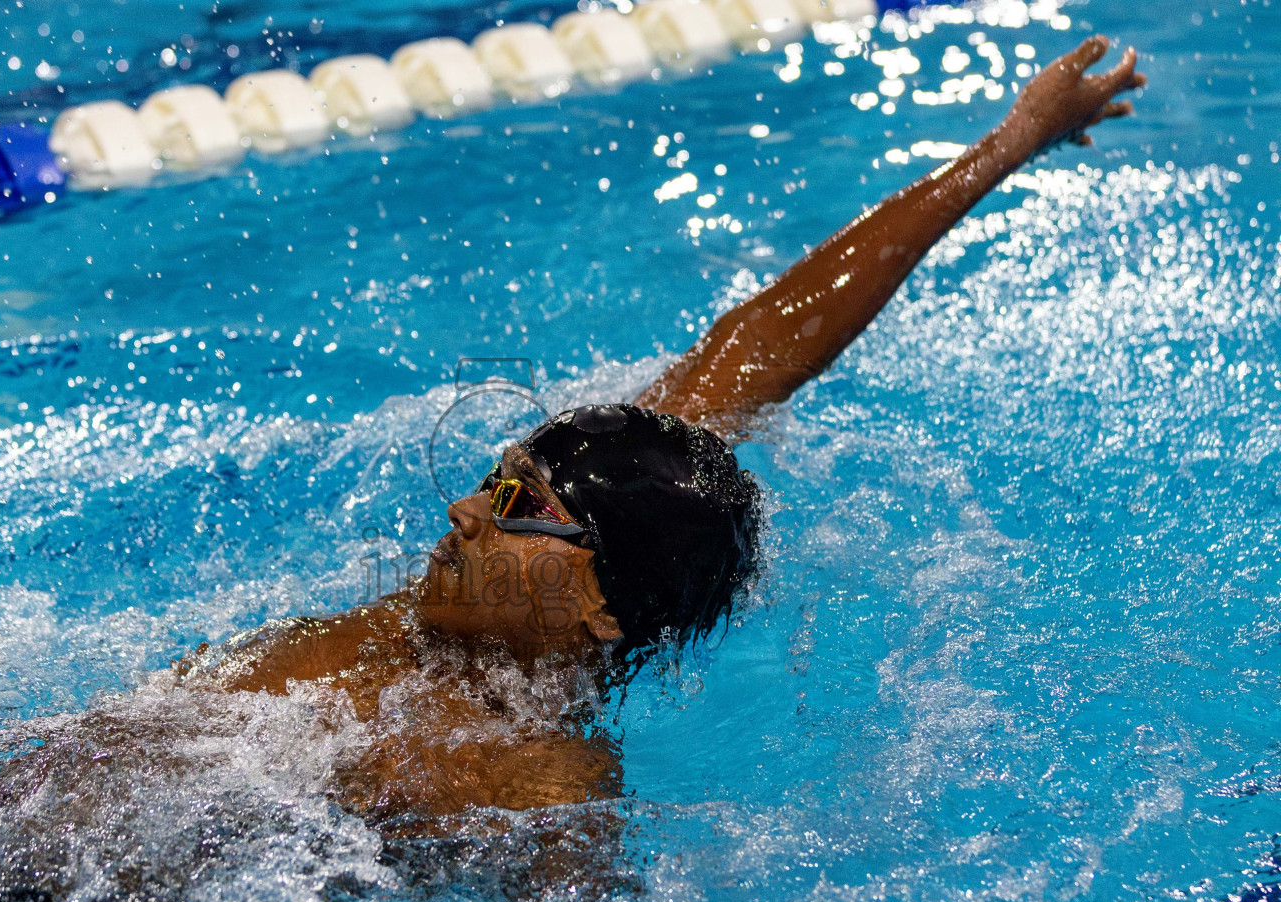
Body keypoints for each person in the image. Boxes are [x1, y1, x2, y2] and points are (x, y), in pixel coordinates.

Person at [164, 35, 1145, 831]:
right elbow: (766, 338)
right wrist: (1008, 144)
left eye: (512, 508)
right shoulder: (508, 587)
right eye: (494, 481)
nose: (464, 512)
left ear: (593, 608)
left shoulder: (534, 787)